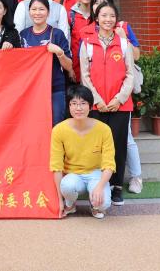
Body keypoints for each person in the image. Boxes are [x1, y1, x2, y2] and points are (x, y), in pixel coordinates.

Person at [78, 2, 134, 207]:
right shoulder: (87, 43)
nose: (108, 19)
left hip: (120, 105)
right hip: (96, 106)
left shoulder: (124, 43)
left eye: (111, 16)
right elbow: (84, 75)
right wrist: (97, 100)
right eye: (104, 15)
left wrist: (119, 99)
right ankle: (98, 184)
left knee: (118, 145)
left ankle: (116, 186)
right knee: (96, 146)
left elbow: (130, 74)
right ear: (97, 18)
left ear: (116, 19)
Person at [51, 85, 116, 219]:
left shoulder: (104, 129)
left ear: (90, 107)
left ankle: (95, 205)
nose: (78, 108)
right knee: (67, 185)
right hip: (73, 174)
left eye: (83, 103)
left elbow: (109, 164)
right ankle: (70, 205)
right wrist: (60, 201)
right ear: (69, 106)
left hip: (96, 173)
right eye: (74, 103)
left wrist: (100, 187)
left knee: (104, 203)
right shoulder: (59, 130)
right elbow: (56, 166)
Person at [20, 0, 73, 126]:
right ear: (29, 12)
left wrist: (59, 52)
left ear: (48, 12)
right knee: (35, 126)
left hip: (55, 88)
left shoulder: (57, 34)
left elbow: (69, 66)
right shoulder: (23, 35)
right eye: (34, 9)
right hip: (31, 89)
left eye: (41, 9)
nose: (37, 13)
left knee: (56, 126)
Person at [68, 0, 98, 80]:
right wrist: (70, 69)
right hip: (76, 65)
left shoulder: (99, 16)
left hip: (95, 65)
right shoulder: (70, 15)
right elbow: (67, 41)